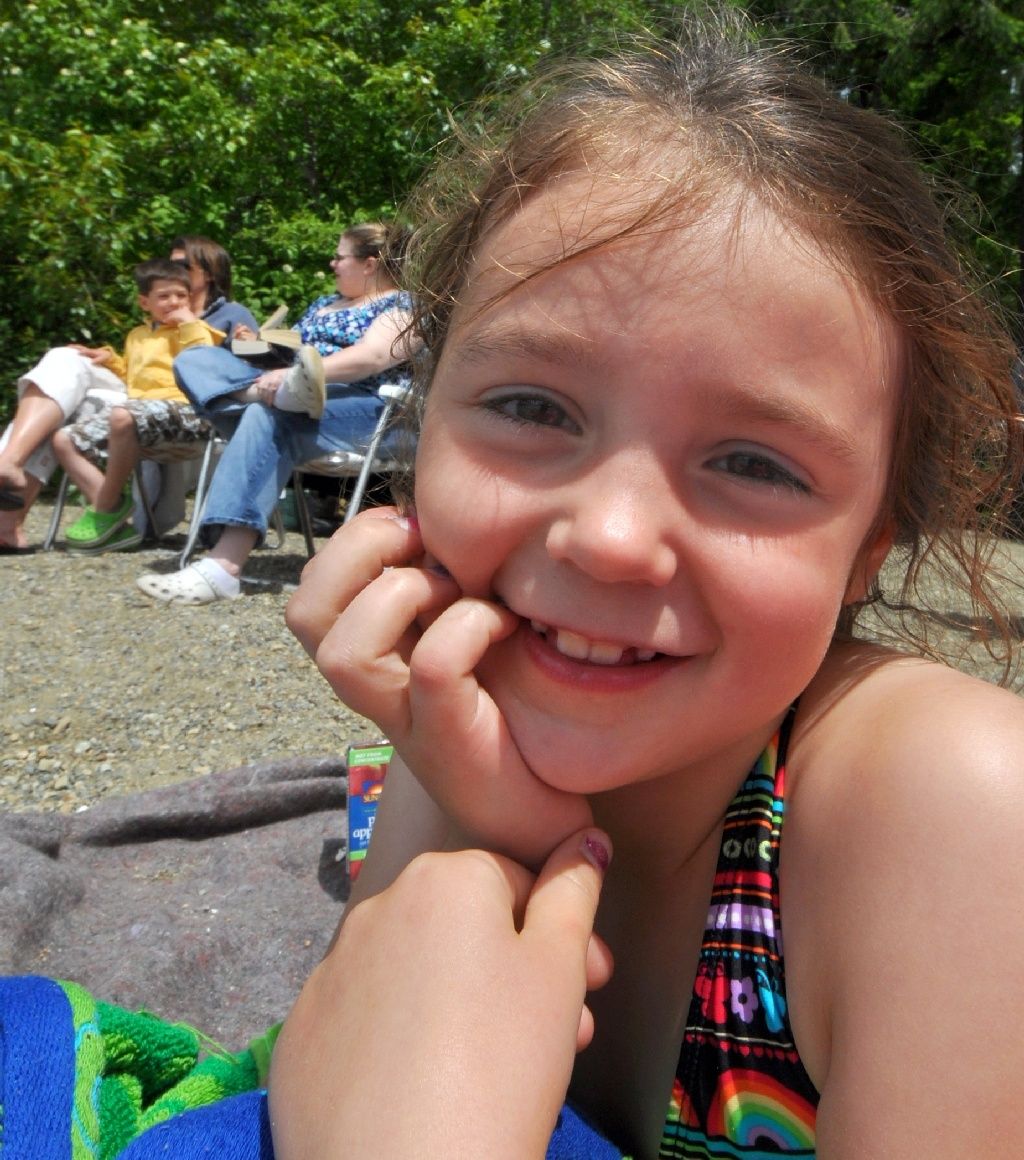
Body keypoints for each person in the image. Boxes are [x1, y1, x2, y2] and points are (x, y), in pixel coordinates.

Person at [271, 14, 1024, 1160]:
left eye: (754, 464)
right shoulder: (462, 716)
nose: (611, 538)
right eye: (531, 407)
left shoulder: (962, 807)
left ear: (870, 543)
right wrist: (492, 811)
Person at [135, 222, 414, 605]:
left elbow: (374, 356)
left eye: (339, 256)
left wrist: (301, 375)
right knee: (195, 359)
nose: (332, 264)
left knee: (267, 416)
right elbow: (287, 352)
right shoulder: (325, 303)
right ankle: (265, 395)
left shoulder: (403, 306)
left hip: (369, 410)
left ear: (370, 264)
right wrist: (257, 348)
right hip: (289, 397)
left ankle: (223, 568)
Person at [0, 235, 257, 551]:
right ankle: (9, 472)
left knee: (73, 407)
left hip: (184, 404)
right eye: (169, 266)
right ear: (146, 301)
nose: (173, 273)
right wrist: (109, 359)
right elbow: (137, 368)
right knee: (62, 361)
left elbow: (245, 365)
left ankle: (21, 505)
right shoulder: (146, 328)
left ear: (209, 271)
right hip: (137, 395)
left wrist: (238, 340)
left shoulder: (229, 315)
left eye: (182, 265)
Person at [50, 259, 223, 553]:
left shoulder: (197, 330)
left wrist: (189, 323)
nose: (174, 302)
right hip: (138, 414)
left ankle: (102, 511)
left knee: (122, 415)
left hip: (188, 412)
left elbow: (204, 362)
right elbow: (133, 375)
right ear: (145, 302)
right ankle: (113, 508)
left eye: (181, 296)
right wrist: (109, 360)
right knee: (64, 440)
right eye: (164, 296)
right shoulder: (137, 335)